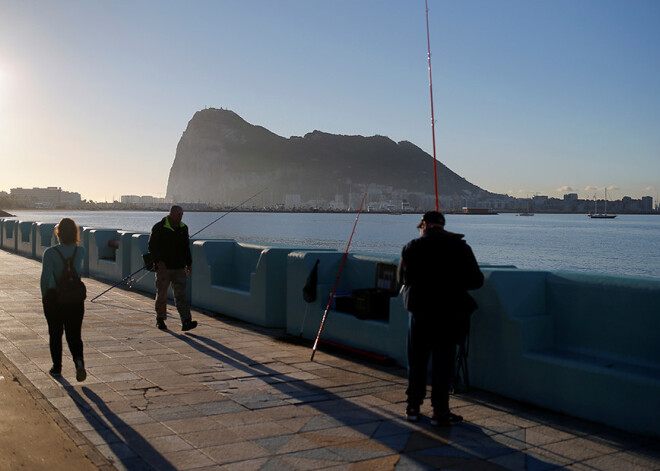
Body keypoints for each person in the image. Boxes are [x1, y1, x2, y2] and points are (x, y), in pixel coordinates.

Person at [398, 211, 483, 425]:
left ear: (425, 224)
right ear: (442, 225)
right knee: (443, 363)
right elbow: (476, 281)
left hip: (419, 314)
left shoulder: (411, 247)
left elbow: (402, 278)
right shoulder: (460, 247)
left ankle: (413, 407)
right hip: (449, 314)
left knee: (416, 362)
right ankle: (440, 411)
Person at [40, 218, 87, 381]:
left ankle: (57, 368)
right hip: (75, 298)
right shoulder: (80, 251)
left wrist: (45, 297)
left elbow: (45, 279)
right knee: (75, 334)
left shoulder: (50, 253)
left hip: (55, 298)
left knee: (55, 333)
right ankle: (79, 362)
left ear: (58, 233)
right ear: (75, 233)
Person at [148, 205, 197, 331]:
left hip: (179, 267)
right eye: (178, 215)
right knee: (162, 294)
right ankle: (160, 319)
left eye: (182, 215)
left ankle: (186, 320)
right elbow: (152, 246)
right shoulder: (159, 227)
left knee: (181, 295)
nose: (180, 217)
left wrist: (189, 263)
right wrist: (158, 261)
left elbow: (186, 247)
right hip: (164, 268)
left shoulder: (184, 228)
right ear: (171, 214)